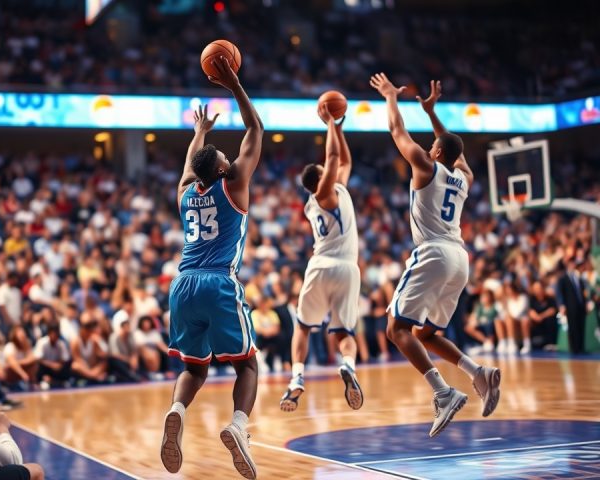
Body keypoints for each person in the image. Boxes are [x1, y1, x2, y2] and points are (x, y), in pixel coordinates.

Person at [370, 75, 500, 437]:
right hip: (459, 258)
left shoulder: (425, 166)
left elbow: (397, 131)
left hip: (433, 252)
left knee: (396, 329)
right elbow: (457, 153)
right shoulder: (464, 177)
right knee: (425, 333)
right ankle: (478, 373)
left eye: (432, 146)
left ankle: (443, 392)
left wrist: (390, 97)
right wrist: (431, 113)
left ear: (437, 153)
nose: (428, 148)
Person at [160, 56, 263, 479]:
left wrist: (199, 133)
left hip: (182, 283)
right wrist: (235, 85)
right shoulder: (234, 184)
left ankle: (177, 409)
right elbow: (255, 130)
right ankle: (238, 425)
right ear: (223, 168)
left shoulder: (186, 192)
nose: (228, 156)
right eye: (224, 155)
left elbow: (190, 167)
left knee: (193, 368)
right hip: (218, 281)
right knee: (248, 365)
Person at [280, 101, 363, 412]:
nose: (331, 170)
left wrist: (337, 129)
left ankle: (297, 379)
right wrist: (328, 123)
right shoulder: (324, 194)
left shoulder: (334, 190)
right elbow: (334, 158)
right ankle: (348, 365)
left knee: (302, 327)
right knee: (344, 332)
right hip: (347, 269)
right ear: (319, 180)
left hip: (321, 267)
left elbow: (344, 159)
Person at [556, 259, 589, 354]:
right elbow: (560, 292)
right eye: (571, 264)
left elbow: (583, 292)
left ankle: (581, 347)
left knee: (581, 326)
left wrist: (586, 303)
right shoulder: (563, 278)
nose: (573, 265)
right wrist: (561, 305)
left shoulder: (579, 277)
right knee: (573, 327)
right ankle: (574, 348)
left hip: (580, 305)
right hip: (570, 306)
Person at [523, 281, 558, 352]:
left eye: (539, 288)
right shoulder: (531, 299)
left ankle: (551, 343)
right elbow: (530, 311)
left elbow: (552, 310)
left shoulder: (549, 298)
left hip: (547, 322)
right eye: (536, 289)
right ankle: (528, 344)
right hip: (536, 322)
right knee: (527, 321)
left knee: (550, 320)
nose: (538, 290)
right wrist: (537, 317)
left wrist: (541, 316)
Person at [34, 325, 71, 389]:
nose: (54, 336)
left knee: (67, 366)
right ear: (49, 334)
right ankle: (41, 381)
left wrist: (58, 365)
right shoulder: (42, 342)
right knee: (37, 366)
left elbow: (65, 359)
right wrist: (52, 365)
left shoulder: (61, 344)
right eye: (53, 334)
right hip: (45, 368)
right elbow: (38, 359)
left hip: (56, 369)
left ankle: (57, 381)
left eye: (56, 334)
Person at [2, 326, 39, 390]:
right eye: (20, 335)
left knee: (34, 363)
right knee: (11, 366)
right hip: (11, 374)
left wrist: (19, 362)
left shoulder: (26, 345)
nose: (22, 337)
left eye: (23, 335)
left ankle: (32, 383)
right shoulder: (10, 346)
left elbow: (32, 358)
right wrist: (23, 374)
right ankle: (10, 385)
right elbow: (11, 363)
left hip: (21, 371)